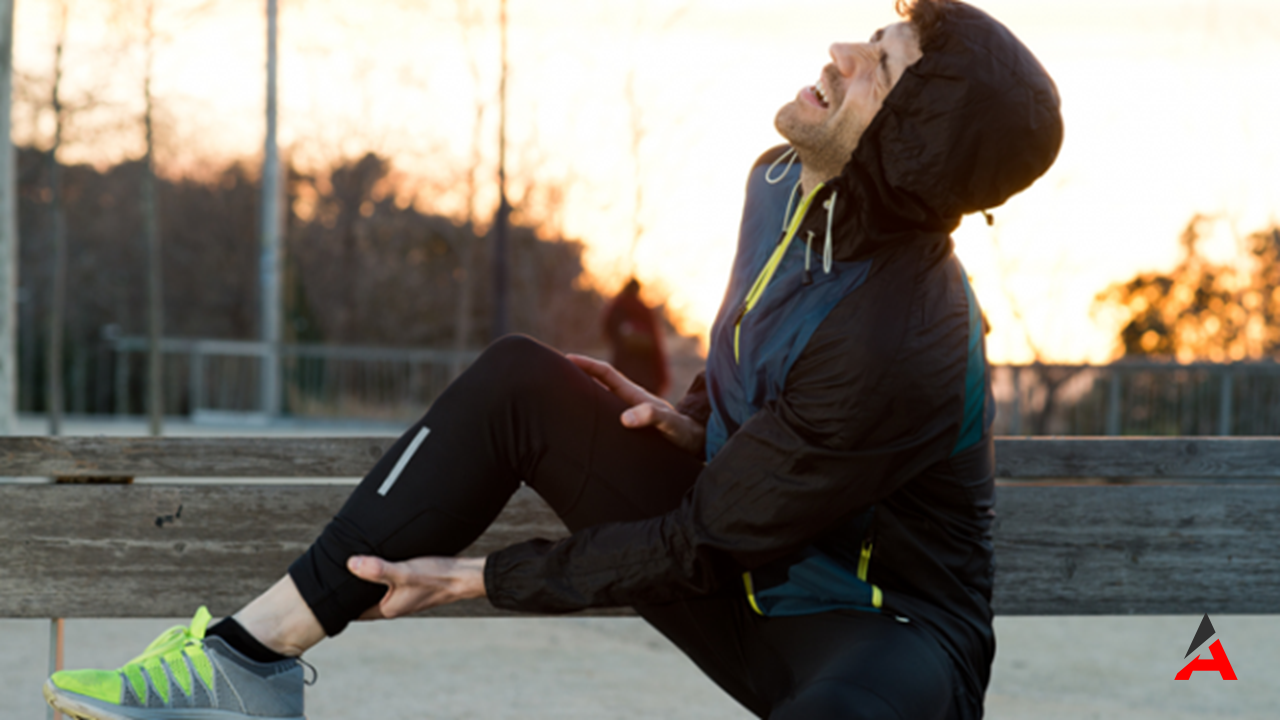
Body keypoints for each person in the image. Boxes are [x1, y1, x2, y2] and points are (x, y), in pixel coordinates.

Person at [43, 1, 1062, 718]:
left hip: (877, 638)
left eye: (876, 64)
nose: (840, 48)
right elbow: (748, 359)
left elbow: (705, 539)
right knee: (527, 380)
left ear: (910, 146)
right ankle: (243, 665)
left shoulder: (904, 333)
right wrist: (694, 420)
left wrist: (488, 578)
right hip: (740, 583)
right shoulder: (777, 183)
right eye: (869, 33)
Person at [602, 276, 669, 396]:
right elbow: (655, 343)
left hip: (623, 368)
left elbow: (608, 331)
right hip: (644, 374)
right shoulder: (642, 310)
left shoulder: (616, 308)